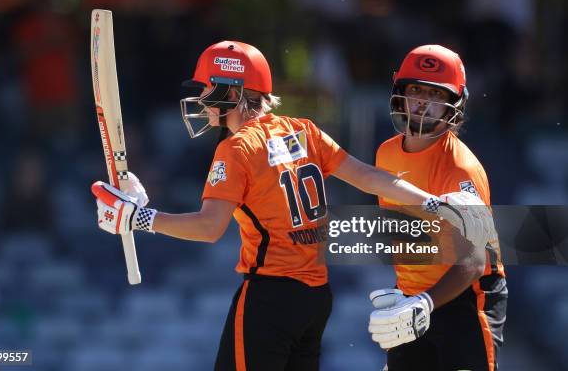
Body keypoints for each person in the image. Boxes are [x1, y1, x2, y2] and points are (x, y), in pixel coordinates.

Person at [90, 41, 490, 370]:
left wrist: (139, 218)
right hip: (315, 299)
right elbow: (369, 176)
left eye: (208, 90)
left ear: (232, 92)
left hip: (269, 297)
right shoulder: (303, 129)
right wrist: (433, 203)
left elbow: (208, 228)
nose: (202, 101)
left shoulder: (236, 148)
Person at [368, 45, 507, 371]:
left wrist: (424, 302)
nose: (422, 102)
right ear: (400, 91)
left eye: (434, 93)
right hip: (414, 297)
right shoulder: (386, 154)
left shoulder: (461, 168)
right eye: (416, 89)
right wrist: (407, 292)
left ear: (455, 103)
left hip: (467, 298)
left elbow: (472, 263)